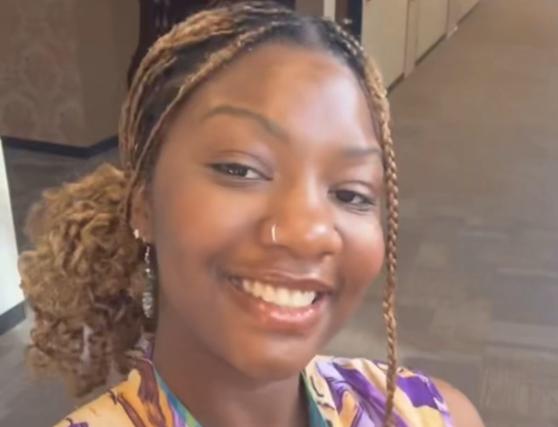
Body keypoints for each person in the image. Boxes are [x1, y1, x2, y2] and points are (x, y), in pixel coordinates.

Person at [19, 2, 484, 426]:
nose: (308, 232)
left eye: (351, 193)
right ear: (144, 202)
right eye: (240, 168)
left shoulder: (432, 416)